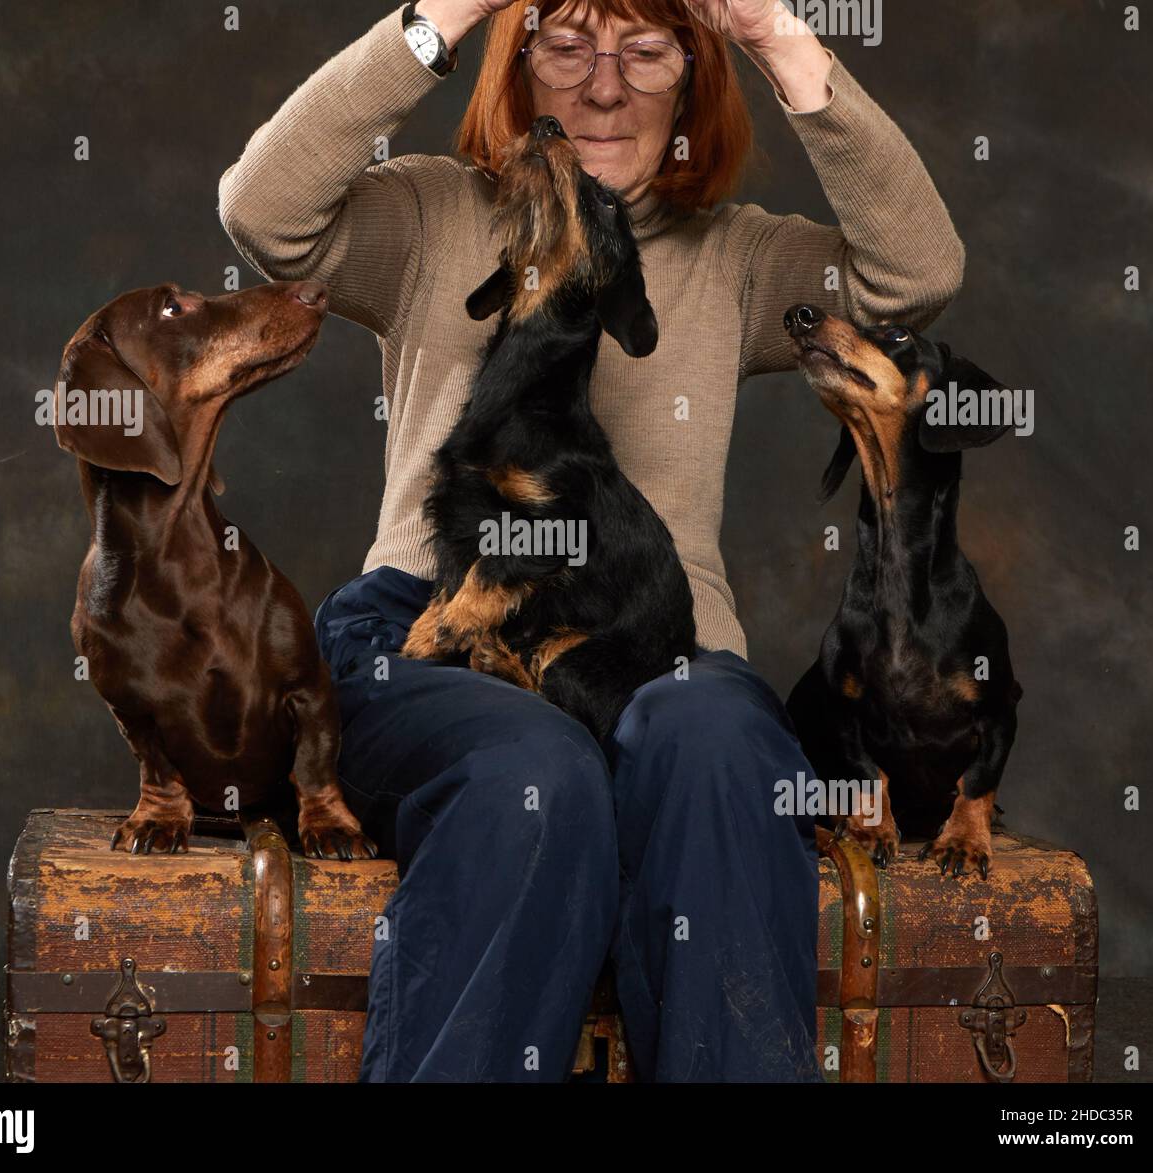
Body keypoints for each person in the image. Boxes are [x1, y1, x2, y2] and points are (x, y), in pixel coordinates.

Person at [217, 0, 964, 1082]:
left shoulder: (740, 254)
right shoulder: (433, 211)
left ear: (690, 80)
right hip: (433, 627)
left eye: (645, 51)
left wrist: (772, 31)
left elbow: (917, 274)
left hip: (654, 654)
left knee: (714, 749)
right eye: (566, 45)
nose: (603, 85)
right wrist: (450, 11)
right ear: (518, 70)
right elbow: (262, 211)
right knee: (536, 771)